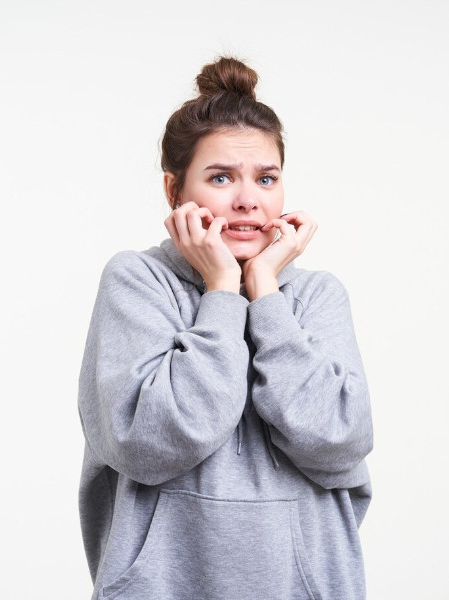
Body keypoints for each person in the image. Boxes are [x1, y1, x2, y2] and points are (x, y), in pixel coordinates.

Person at [77, 56, 373, 600]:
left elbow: (341, 440)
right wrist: (220, 291)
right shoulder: (137, 282)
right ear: (174, 192)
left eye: (266, 178)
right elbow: (150, 443)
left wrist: (263, 291)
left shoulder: (315, 296)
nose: (247, 199)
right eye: (220, 177)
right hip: (160, 586)